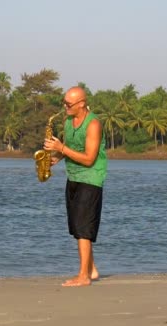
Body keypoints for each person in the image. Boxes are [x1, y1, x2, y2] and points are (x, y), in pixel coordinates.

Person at [44, 86, 107, 287]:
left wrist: (61, 148)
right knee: (77, 227)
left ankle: (83, 277)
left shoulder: (93, 124)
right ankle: (92, 269)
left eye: (68, 104)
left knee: (83, 228)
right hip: (73, 177)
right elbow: (69, 146)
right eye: (64, 102)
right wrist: (56, 157)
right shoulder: (68, 121)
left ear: (81, 103)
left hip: (91, 178)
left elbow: (89, 159)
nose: (65, 107)